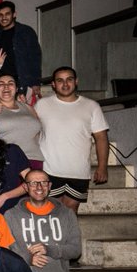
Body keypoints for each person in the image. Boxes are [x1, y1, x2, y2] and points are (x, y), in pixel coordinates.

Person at [5, 170, 81, 272]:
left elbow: (76, 250)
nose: (39, 187)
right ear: (25, 187)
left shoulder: (66, 214)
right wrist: (28, 258)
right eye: (33, 183)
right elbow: (6, 251)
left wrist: (49, 249)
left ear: (50, 186)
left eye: (43, 182)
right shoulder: (11, 215)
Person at [34, 66, 109, 213]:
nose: (65, 84)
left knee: (71, 213)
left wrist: (102, 167)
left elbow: (101, 138)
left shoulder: (91, 106)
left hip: (79, 171)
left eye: (69, 79)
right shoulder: (42, 105)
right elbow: (29, 129)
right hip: (49, 170)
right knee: (50, 212)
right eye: (60, 80)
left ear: (76, 81)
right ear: (53, 84)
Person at [0, 1, 42, 93]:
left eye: (7, 14)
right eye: (1, 15)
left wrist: (35, 81)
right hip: (3, 84)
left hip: (24, 82)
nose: (4, 17)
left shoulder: (26, 32)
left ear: (14, 14)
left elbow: (35, 57)